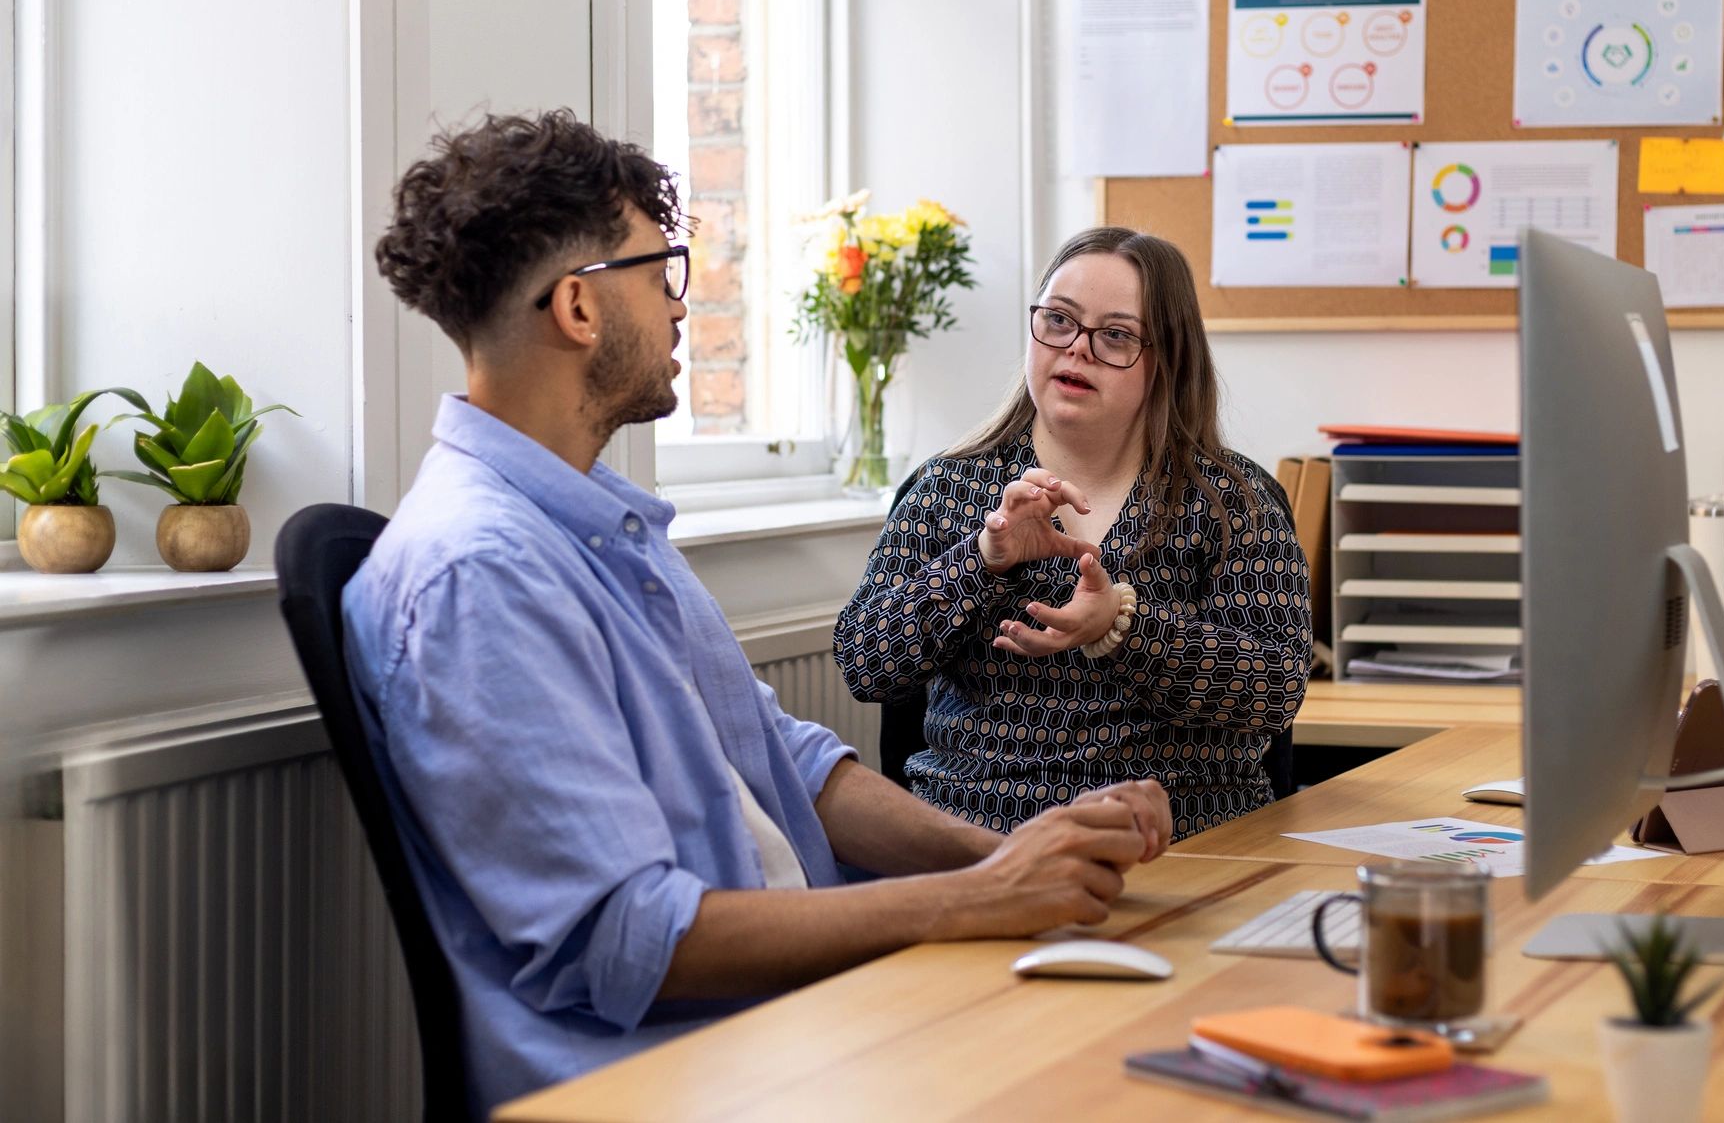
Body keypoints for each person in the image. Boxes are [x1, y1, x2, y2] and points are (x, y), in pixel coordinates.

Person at [344, 112, 1172, 1116]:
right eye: (662, 273)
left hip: (799, 1025)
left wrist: (1011, 852)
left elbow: (785, 765)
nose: (682, 309)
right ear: (577, 305)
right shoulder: (479, 576)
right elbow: (628, 942)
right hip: (682, 1076)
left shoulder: (601, 527)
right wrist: (980, 899)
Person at [834, 227, 1311, 840]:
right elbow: (864, 664)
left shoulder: (1233, 502)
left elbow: (1273, 691)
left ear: (1166, 359)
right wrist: (981, 562)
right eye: (1058, 320)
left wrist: (1121, 626)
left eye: (1115, 335)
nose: (1076, 349)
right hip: (983, 846)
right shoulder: (945, 488)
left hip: (1184, 848)